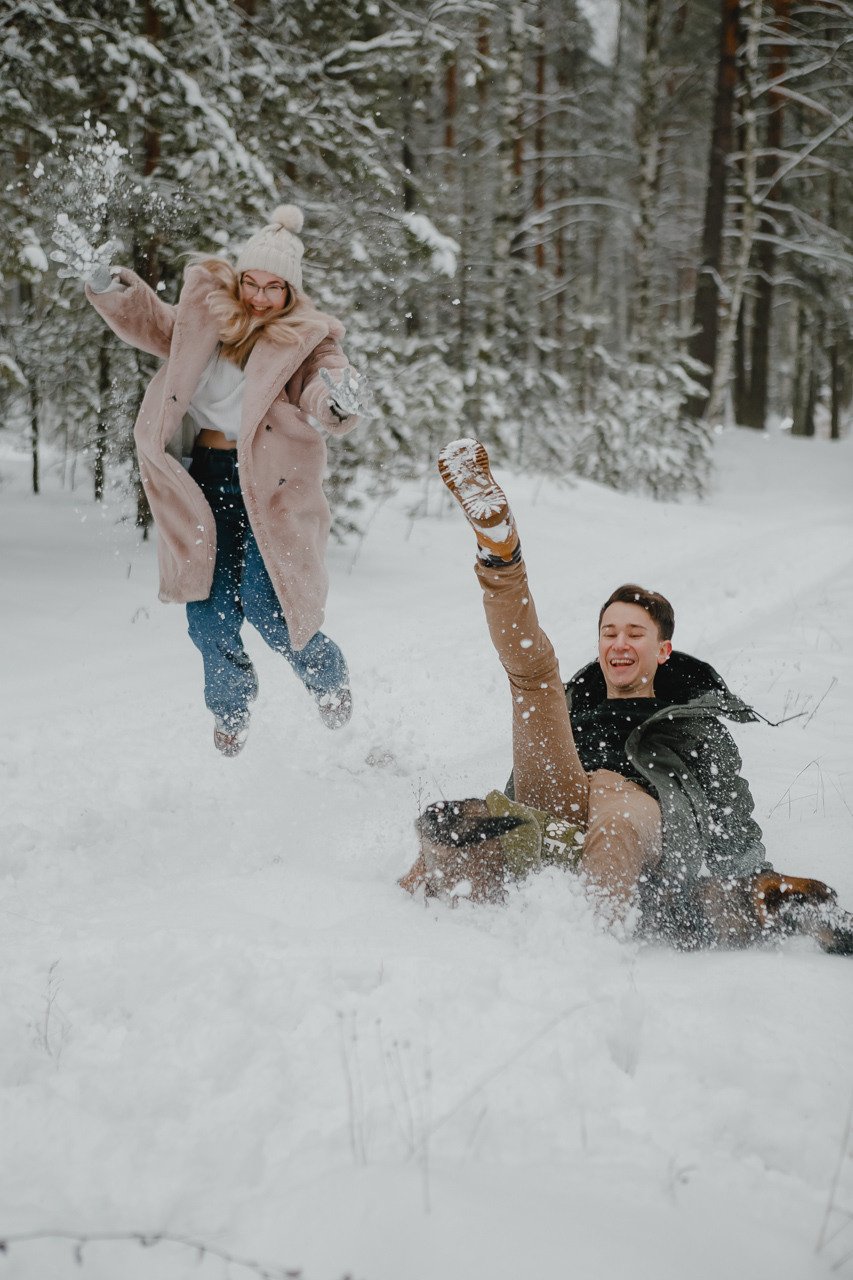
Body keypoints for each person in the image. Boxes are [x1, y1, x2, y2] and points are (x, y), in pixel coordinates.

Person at [399, 439, 853, 955]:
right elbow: (523, 783)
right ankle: (499, 554)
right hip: (560, 802)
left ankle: (591, 954)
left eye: (634, 633)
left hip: (636, 809)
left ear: (663, 650)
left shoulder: (694, 723)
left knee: (614, 825)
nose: (618, 643)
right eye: (608, 631)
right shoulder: (573, 700)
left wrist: (757, 877)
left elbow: (731, 815)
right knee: (521, 700)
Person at [74, 205, 370, 756]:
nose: (259, 297)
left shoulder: (306, 340)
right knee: (206, 611)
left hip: (270, 488)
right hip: (204, 484)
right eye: (251, 283)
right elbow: (153, 322)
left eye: (273, 287)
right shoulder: (205, 322)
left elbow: (324, 385)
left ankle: (329, 682)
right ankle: (230, 711)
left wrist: (337, 399)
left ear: (290, 292)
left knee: (268, 603)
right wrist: (113, 289)